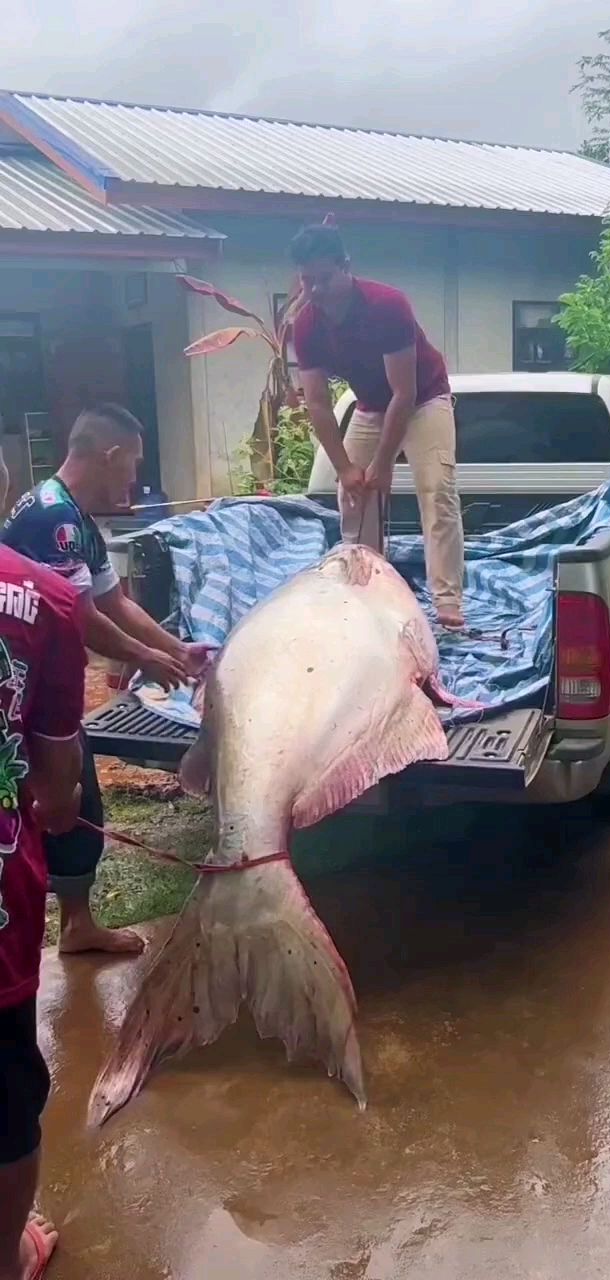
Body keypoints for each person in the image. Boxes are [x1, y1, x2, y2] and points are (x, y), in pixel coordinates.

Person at [0, 404, 209, 956]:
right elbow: (80, 617)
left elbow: (112, 600)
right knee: (60, 795)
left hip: (48, 683)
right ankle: (61, 924)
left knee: (80, 796)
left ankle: (75, 923)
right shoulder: (53, 517)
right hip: (26, 693)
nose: (135, 478)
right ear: (109, 455)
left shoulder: (76, 519)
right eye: (132, 464)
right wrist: (147, 656)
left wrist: (176, 648)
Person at [0, 444, 87, 1279]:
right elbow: (59, 793)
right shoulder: (47, 600)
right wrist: (44, 804)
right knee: (5, 1103)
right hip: (0, 908)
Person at [290, 223, 465, 628]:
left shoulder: (387, 306)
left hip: (423, 398)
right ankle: (366, 593)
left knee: (437, 489)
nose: (315, 290)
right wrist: (346, 468)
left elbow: (404, 392)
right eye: (306, 280)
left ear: (346, 266)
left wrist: (384, 463)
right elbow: (316, 402)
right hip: (370, 405)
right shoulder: (307, 325)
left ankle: (448, 603)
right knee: (353, 494)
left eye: (324, 278)